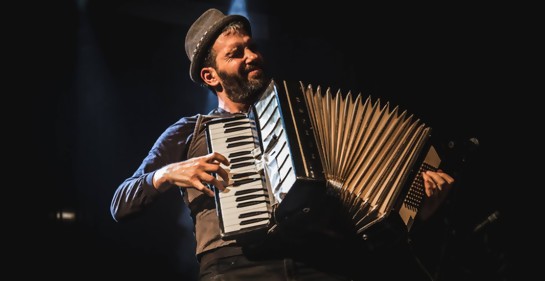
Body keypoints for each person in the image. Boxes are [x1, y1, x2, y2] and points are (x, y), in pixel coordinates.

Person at [110, 8, 455, 281]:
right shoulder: (189, 131)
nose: (252, 56)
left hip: (322, 264)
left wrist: (415, 213)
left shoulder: (303, 117)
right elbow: (120, 203)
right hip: (238, 269)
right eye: (236, 53)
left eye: (252, 46)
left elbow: (363, 212)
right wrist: (169, 172)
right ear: (210, 76)